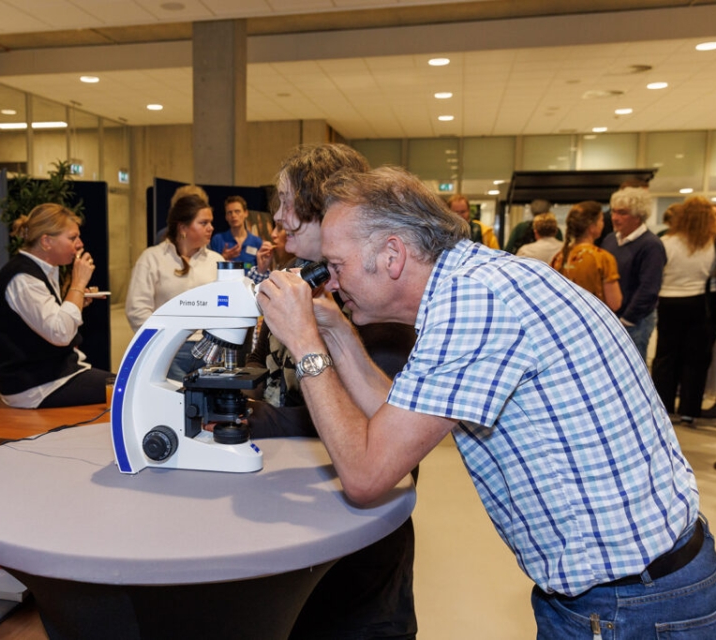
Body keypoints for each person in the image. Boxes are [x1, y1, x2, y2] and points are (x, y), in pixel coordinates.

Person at [257, 165, 713, 639]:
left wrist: (306, 344)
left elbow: (367, 476)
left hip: (632, 604)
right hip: (632, 586)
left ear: (392, 254)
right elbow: (394, 418)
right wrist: (334, 330)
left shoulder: (474, 305)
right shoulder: (477, 280)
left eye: (336, 266)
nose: (328, 283)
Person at [248, 143, 418, 640]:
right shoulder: (309, 282)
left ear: (328, 206)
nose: (278, 217)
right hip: (297, 523)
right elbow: (260, 358)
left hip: (359, 567)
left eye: (286, 203)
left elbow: (376, 435)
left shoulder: (375, 303)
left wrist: (246, 416)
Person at [0, 203, 112, 409]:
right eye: (72, 238)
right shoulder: (24, 278)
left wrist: (77, 299)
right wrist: (78, 285)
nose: (80, 244)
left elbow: (50, 322)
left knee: (125, 385)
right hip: (35, 386)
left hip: (52, 375)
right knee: (127, 390)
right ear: (46, 241)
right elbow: (60, 333)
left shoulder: (44, 270)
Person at [125, 194, 222, 379]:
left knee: (206, 407)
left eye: (211, 222)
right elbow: (136, 309)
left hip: (211, 351)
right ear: (183, 227)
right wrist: (161, 343)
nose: (211, 228)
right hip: (167, 351)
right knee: (172, 405)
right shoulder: (152, 258)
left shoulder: (216, 261)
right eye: (204, 223)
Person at [652, 196, 716, 426]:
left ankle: (664, 406)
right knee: (695, 359)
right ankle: (689, 410)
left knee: (665, 357)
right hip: (698, 302)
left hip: (668, 301)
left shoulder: (667, 242)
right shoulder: (711, 244)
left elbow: (659, 273)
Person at [601, 186, 666, 361]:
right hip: (612, 319)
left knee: (633, 369)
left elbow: (649, 288)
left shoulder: (651, 245)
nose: (615, 217)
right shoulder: (610, 240)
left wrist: (626, 319)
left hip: (635, 322)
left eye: (622, 213)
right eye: (614, 211)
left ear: (638, 216)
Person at [550, 200, 622, 312]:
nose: (603, 224)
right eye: (601, 220)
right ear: (592, 227)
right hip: (594, 321)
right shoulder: (603, 258)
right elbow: (614, 303)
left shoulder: (558, 258)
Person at [210, 195, 263, 268]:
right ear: (226, 217)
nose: (233, 215)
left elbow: (261, 269)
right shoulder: (218, 240)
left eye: (237, 211)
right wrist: (223, 257)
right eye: (229, 212)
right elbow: (209, 269)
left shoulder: (256, 242)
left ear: (246, 213)